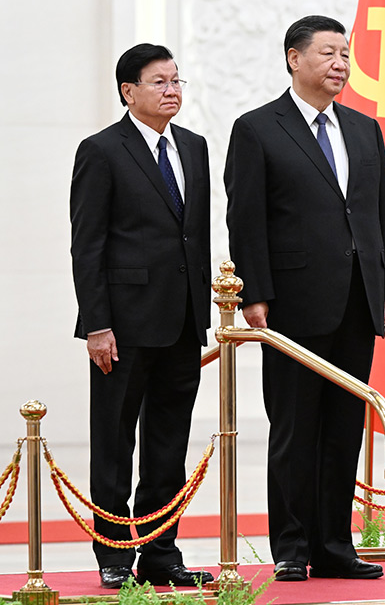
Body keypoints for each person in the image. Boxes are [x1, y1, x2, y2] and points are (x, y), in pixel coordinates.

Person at [224, 15, 385, 582]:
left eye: (345, 54)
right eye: (328, 52)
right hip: (291, 304)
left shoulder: (363, 128)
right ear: (294, 58)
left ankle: (334, 546)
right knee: (294, 428)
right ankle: (291, 547)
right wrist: (254, 293)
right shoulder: (257, 128)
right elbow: (246, 219)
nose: (340, 64)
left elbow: (383, 211)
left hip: (357, 299)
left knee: (344, 428)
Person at [70, 44, 213, 589]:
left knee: (168, 444)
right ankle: (113, 553)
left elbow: (193, 236)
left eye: (177, 80)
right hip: (123, 326)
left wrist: (202, 309)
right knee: (114, 441)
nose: (172, 90)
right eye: (159, 82)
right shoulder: (102, 150)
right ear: (128, 91)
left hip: (182, 321)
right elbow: (88, 245)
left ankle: (160, 554)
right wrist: (96, 324)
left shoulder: (194, 147)